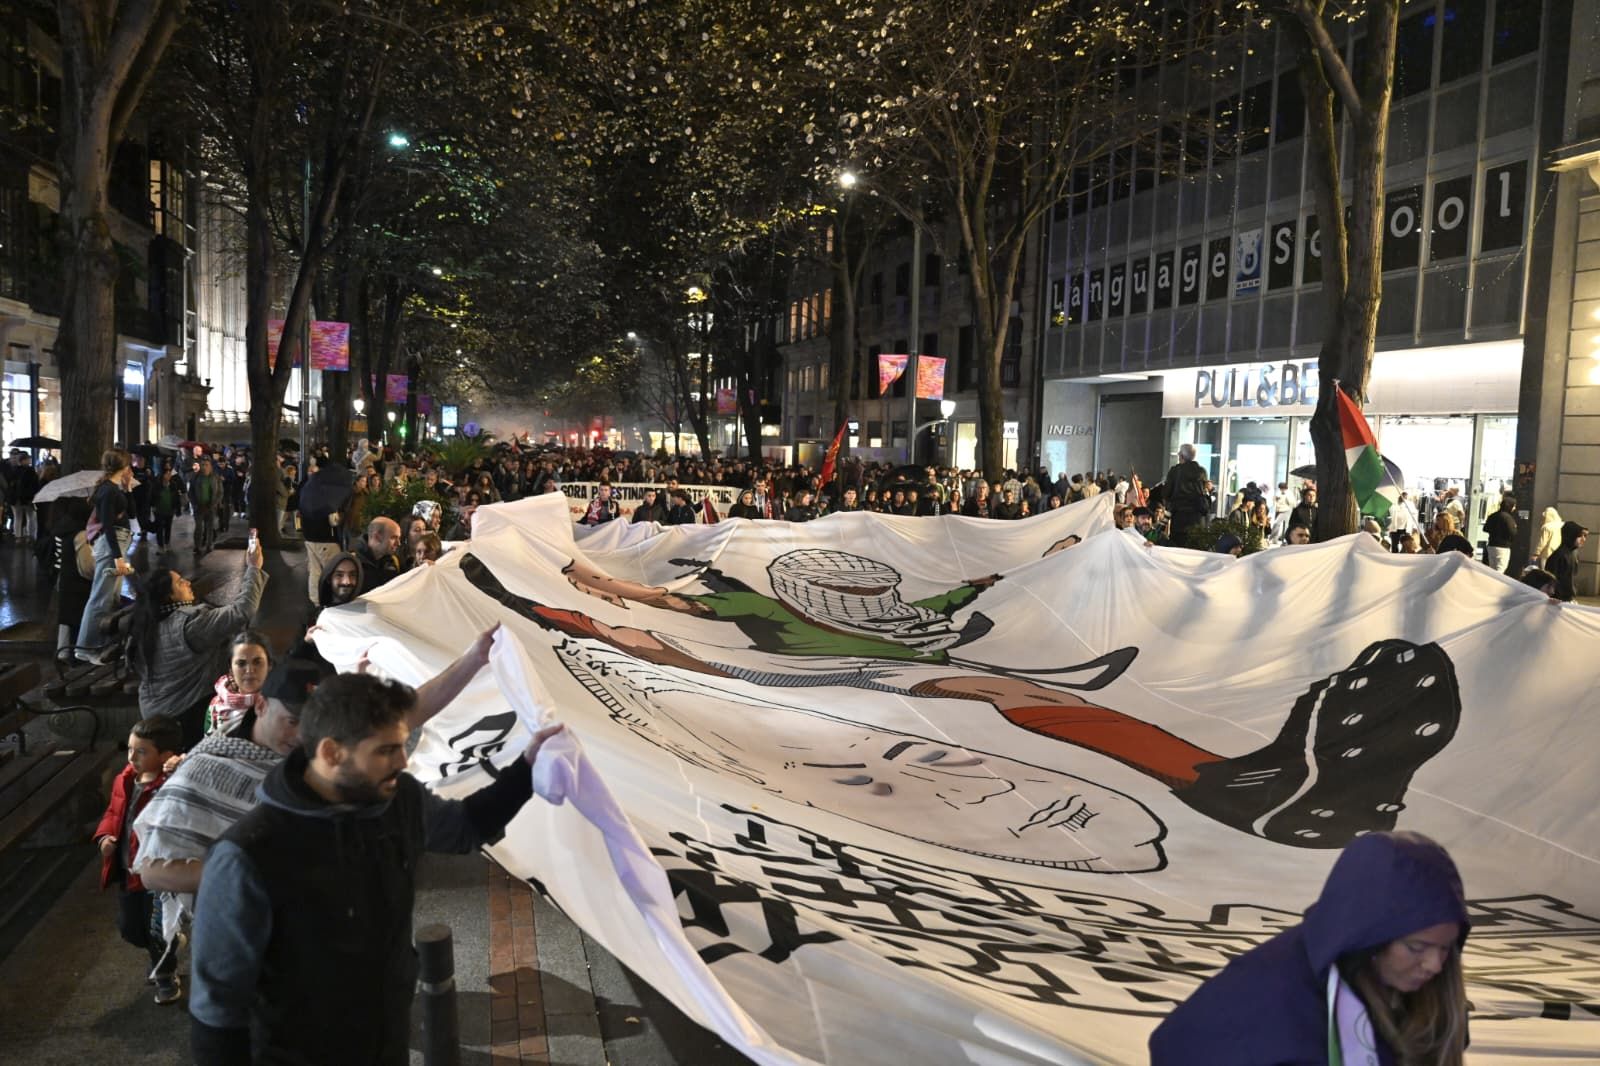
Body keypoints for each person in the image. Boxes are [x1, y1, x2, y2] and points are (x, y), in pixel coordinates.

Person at [188, 673, 565, 1064]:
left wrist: (527, 768)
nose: (403, 761)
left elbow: (465, 828)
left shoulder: (398, 799)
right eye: (386, 750)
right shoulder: (246, 855)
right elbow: (217, 1014)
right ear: (333, 753)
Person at [1150, 831, 1468, 1066]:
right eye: (1417, 947)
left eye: (1446, 948)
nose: (1435, 965)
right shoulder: (1266, 1000)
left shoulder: (1433, 994)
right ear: (1369, 935)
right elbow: (1176, 1045)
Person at [129, 539, 268, 747]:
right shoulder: (190, 626)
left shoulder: (146, 625)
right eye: (179, 583)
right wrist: (253, 568)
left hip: (153, 711)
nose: (187, 582)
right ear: (169, 596)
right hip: (184, 715)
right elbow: (241, 611)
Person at [95, 714, 185, 1004]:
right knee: (131, 929)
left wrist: (178, 770)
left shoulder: (169, 785)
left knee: (156, 929)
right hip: (127, 870)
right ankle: (167, 948)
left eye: (142, 751)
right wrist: (106, 837)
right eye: (131, 749)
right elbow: (113, 813)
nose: (132, 756)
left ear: (165, 756)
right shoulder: (125, 780)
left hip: (156, 874)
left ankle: (165, 975)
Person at [77, 448, 137, 663]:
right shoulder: (107, 491)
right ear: (122, 466)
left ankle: (101, 644)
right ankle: (85, 647)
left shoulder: (113, 488)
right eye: (128, 464)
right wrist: (117, 556)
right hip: (112, 545)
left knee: (110, 597)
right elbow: (108, 526)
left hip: (119, 543)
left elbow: (132, 513)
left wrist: (128, 488)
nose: (131, 468)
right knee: (101, 597)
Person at [296, 458, 353, 604]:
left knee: (315, 571)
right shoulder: (328, 496)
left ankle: (315, 601)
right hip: (327, 539)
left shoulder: (308, 490)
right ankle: (332, 600)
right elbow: (333, 521)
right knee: (334, 571)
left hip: (309, 537)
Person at [206, 630, 273, 737]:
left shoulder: (279, 705)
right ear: (231, 669)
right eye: (241, 663)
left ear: (269, 665)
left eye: (257, 662)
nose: (250, 670)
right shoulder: (216, 706)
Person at [1161, 443, 1209, 543]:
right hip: (1198, 520)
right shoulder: (1202, 472)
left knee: (1178, 551)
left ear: (1181, 456)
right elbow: (1205, 491)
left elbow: (1166, 493)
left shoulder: (1175, 471)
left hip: (1179, 520)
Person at [354, 516, 402, 593]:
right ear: (377, 537)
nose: (399, 543)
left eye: (399, 538)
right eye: (393, 538)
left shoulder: (393, 561)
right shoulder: (352, 562)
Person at [188, 457, 222, 557]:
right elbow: (191, 493)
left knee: (210, 527)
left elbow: (220, 492)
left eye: (206, 465)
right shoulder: (195, 477)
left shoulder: (215, 477)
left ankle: (209, 544)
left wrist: (214, 503)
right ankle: (197, 546)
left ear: (211, 466)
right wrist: (195, 504)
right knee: (199, 527)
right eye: (202, 465)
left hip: (210, 507)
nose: (204, 467)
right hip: (199, 507)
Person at [1547, 521, 1587, 602]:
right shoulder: (1558, 555)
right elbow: (1551, 578)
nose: (1583, 539)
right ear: (1571, 536)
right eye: (1579, 536)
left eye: (1585, 536)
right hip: (1558, 599)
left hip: (1568, 597)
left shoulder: (1574, 553)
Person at [150, 463, 186, 549]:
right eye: (167, 474)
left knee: (168, 527)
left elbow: (176, 498)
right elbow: (152, 496)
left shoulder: (173, 484)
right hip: (159, 510)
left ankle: (167, 542)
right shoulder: (157, 485)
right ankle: (160, 545)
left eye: (170, 474)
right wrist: (152, 506)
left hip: (169, 510)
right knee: (159, 528)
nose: (169, 475)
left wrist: (177, 509)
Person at [8, 449, 39, 540]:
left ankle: (18, 536)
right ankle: (30, 536)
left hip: (16, 499)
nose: (29, 460)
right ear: (24, 460)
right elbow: (34, 485)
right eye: (28, 459)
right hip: (27, 498)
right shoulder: (30, 471)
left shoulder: (14, 471)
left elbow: (11, 485)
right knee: (30, 517)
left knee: (18, 518)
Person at [1482, 494, 1517, 573]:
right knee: (1500, 569)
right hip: (1503, 547)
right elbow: (1512, 532)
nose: (1514, 508)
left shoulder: (1492, 516)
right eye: (1514, 506)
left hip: (1491, 545)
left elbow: (1485, 528)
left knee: (1492, 569)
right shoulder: (1508, 518)